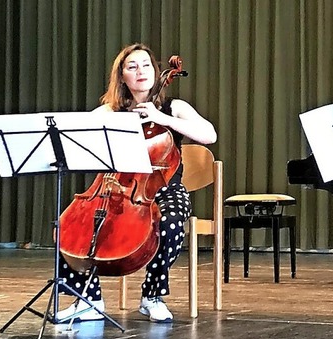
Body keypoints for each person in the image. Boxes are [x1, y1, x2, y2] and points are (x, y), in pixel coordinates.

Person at [56, 43, 217, 323]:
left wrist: (160, 118)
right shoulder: (109, 111)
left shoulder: (174, 107)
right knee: (68, 226)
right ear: (122, 77)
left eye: (145, 65)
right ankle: (88, 299)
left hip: (164, 190)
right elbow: (72, 136)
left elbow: (209, 135)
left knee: (169, 223)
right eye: (132, 66)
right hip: (114, 190)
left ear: (156, 73)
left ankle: (152, 296)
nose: (140, 71)